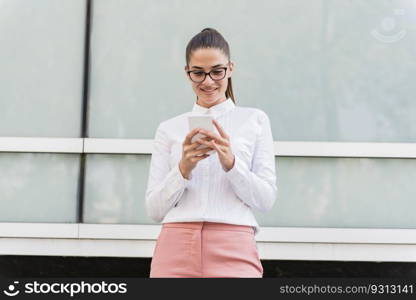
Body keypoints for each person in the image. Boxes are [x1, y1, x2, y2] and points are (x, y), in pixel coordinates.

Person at [145, 28, 277, 278]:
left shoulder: (254, 120)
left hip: (234, 243)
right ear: (187, 73)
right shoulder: (169, 129)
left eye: (217, 71)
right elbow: (154, 210)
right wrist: (183, 168)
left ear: (230, 68)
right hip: (176, 245)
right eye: (198, 72)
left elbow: (266, 200)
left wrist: (231, 163)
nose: (208, 81)